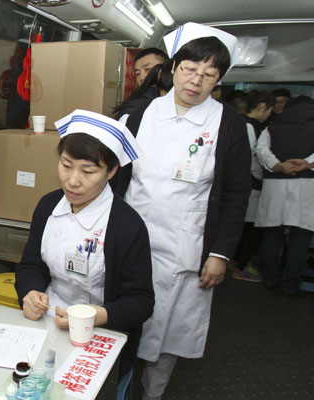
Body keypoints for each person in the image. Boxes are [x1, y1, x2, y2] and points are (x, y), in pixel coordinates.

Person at [113, 23, 251, 400]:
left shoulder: (228, 125)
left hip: (186, 248)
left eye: (209, 74)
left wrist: (220, 253)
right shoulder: (140, 115)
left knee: (170, 331)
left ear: (218, 81)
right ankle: (117, 388)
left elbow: (236, 194)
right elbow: (117, 178)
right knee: (122, 320)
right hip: (133, 239)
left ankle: (153, 394)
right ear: (173, 68)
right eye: (190, 69)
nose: (196, 81)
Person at [15, 109, 155, 397]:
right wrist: (29, 293)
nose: (73, 181)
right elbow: (32, 264)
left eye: (88, 171)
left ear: (111, 172)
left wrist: (95, 316)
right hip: (49, 320)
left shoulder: (126, 225)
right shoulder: (48, 206)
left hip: (103, 329)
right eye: (66, 165)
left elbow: (141, 302)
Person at [255, 95, 314, 297]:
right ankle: (291, 285)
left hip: (275, 184)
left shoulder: (273, 125)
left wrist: (278, 166)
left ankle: (270, 279)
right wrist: (307, 163)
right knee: (300, 238)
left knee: (272, 235)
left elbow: (261, 150)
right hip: (308, 185)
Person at [231, 89, 275, 282]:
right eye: (270, 110)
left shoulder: (241, 123)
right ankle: (240, 266)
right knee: (249, 229)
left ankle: (235, 262)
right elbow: (249, 160)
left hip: (244, 185)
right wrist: (262, 177)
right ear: (263, 107)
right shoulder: (249, 127)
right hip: (248, 186)